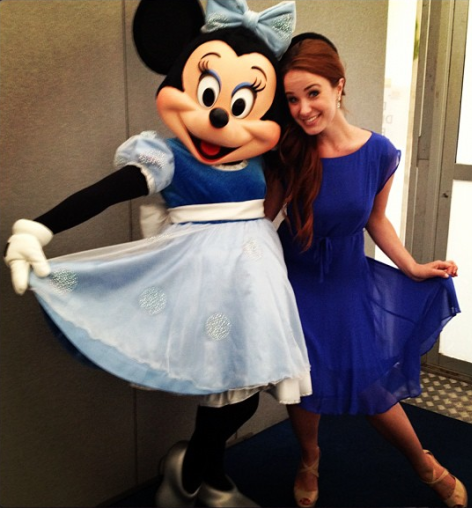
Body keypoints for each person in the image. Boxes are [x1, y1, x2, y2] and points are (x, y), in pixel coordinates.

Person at [4, 2, 312, 507]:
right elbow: (108, 191)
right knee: (226, 391)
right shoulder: (167, 156)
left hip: (255, 290)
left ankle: (203, 474)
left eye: (241, 103)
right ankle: (197, 476)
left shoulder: (259, 155)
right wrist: (40, 228)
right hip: (201, 286)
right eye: (209, 94)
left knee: (247, 388)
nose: (220, 115)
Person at [265, 33, 467, 508]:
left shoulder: (379, 152)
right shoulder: (289, 151)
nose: (302, 109)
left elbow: (376, 219)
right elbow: (262, 219)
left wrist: (412, 266)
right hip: (296, 281)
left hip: (347, 280)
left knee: (370, 387)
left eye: (312, 93)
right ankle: (309, 458)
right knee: (304, 383)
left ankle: (424, 464)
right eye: (291, 99)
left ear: (339, 86)